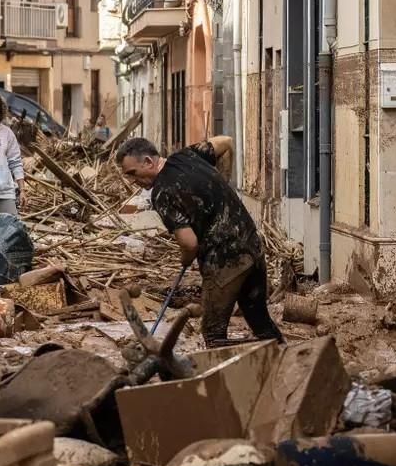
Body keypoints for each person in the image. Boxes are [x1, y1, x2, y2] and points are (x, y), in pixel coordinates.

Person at [115, 136, 283, 347]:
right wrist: (222, 182)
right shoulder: (188, 155)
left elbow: (189, 243)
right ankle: (289, 365)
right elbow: (226, 141)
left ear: (148, 162)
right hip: (251, 245)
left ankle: (227, 378)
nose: (132, 181)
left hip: (224, 262)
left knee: (213, 334)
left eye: (132, 173)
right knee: (259, 320)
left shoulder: (162, 193)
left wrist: (185, 259)